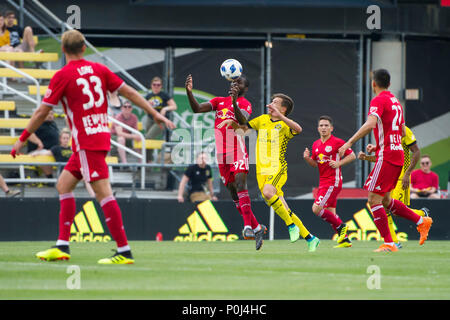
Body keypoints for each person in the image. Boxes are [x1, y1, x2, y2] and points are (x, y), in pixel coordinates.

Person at [11, 29, 175, 264]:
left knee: (103, 194)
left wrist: (22, 138)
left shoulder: (63, 75)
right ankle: (62, 246)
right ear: (84, 48)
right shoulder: (100, 70)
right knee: (63, 184)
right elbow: (129, 92)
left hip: (87, 141)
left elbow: (41, 111)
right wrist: (154, 114)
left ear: (63, 49)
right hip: (94, 138)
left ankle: (124, 251)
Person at [338, 68, 432, 252]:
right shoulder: (396, 102)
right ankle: (422, 220)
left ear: (374, 84)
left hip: (388, 155)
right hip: (396, 154)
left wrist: (349, 141)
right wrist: (380, 145)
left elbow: (371, 124)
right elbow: (402, 130)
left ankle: (389, 243)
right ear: (389, 84)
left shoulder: (378, 100)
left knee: (373, 199)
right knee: (386, 200)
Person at [219, 94, 320, 252]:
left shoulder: (285, 125)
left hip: (277, 167)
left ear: (283, 109)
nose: (270, 104)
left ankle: (290, 225)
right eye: (272, 101)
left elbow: (298, 129)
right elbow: (243, 131)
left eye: (275, 102)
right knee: (283, 207)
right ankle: (310, 238)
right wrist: (232, 123)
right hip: (262, 171)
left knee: (267, 192)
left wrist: (280, 116)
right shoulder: (262, 119)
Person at [185, 74, 267, 251]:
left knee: (240, 183)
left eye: (239, 84)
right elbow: (197, 109)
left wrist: (235, 101)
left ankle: (247, 227)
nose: (234, 85)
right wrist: (189, 92)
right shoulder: (219, 101)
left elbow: (243, 121)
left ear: (245, 89)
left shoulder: (245, 104)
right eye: (233, 82)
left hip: (237, 149)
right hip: (222, 154)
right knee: (233, 194)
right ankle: (257, 228)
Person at [358, 125, 429, 248]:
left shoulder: (404, 130)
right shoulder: (384, 132)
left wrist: (407, 174)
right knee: (385, 207)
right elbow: (383, 158)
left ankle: (422, 215)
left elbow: (416, 152)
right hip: (388, 175)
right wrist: (366, 157)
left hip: (402, 177)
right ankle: (393, 241)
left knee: (393, 211)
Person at [303, 115, 356, 248]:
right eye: (321, 125)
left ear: (331, 128)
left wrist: (339, 163)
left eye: (326, 125)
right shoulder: (316, 144)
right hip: (323, 182)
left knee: (316, 209)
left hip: (333, 181)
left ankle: (341, 226)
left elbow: (352, 155)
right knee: (331, 213)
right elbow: (315, 164)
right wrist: (307, 158)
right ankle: (344, 240)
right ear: (318, 128)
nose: (323, 128)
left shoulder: (337, 142)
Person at [27, 110, 60, 179]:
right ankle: (50, 178)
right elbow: (28, 134)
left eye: (51, 114)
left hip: (53, 150)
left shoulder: (53, 124)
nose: (50, 115)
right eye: (48, 114)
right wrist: (38, 142)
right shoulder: (37, 123)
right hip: (37, 151)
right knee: (45, 153)